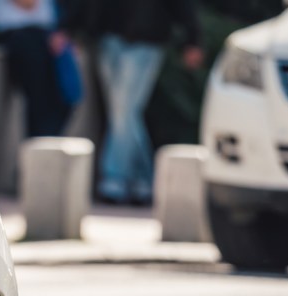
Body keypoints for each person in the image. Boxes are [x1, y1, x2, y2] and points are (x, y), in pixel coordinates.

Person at [60, 0, 204, 205]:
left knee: (124, 111)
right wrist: (70, 28)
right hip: (107, 37)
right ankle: (143, 180)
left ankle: (114, 179)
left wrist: (193, 40)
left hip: (147, 39)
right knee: (124, 114)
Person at [0, 0, 73, 138]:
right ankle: (37, 150)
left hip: (48, 36)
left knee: (65, 97)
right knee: (40, 102)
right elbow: (28, 3)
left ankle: (45, 147)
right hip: (21, 37)